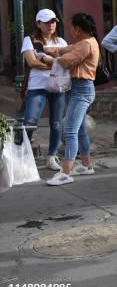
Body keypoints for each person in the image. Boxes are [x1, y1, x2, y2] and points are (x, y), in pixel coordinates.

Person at [43, 13, 100, 186]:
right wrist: (48, 49)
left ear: (77, 28)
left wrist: (50, 58)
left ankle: (65, 172)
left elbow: (67, 61)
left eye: (71, 26)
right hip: (78, 89)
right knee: (80, 130)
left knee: (70, 131)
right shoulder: (84, 43)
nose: (70, 30)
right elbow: (64, 50)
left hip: (82, 91)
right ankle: (86, 165)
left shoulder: (86, 44)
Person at [20, 9, 67, 171]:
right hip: (37, 87)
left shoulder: (61, 41)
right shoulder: (30, 40)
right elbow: (32, 62)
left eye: (53, 21)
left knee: (56, 123)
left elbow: (66, 62)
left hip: (58, 86)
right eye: (47, 22)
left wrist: (48, 63)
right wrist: (54, 63)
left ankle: (51, 156)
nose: (51, 24)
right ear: (38, 24)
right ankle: (20, 154)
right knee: (30, 121)